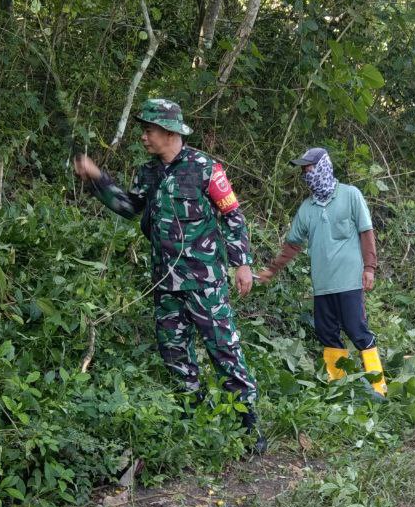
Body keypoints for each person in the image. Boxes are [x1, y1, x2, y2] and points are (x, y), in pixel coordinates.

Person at [72, 99, 264, 451]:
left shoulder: (205, 168)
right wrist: (98, 178)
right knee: (173, 352)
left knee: (223, 348)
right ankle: (192, 418)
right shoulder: (147, 173)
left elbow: (232, 215)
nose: (143, 137)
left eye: (149, 131)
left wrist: (242, 263)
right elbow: (129, 207)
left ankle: (248, 425)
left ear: (169, 132)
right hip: (165, 282)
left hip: (204, 282)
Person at [253, 147, 385, 394]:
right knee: (326, 333)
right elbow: (293, 244)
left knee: (357, 330)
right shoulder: (307, 208)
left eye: (310, 168)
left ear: (324, 167)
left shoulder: (350, 195)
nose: (307, 174)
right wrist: (272, 270)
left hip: (349, 281)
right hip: (322, 285)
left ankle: (379, 387)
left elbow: (366, 232)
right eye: (304, 170)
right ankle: (338, 387)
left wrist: (369, 267)